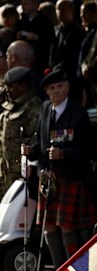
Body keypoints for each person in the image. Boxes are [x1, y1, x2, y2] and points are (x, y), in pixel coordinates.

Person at [21, 68, 96, 267]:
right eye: (52, 88)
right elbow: (43, 144)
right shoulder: (45, 109)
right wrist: (31, 150)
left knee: (67, 226)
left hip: (70, 176)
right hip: (48, 179)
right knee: (48, 225)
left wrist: (65, 154)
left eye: (60, 86)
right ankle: (57, 270)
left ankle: (72, 270)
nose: (56, 91)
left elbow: (87, 149)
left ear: (68, 87)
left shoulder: (78, 112)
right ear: (46, 91)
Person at [0, 67, 42, 199]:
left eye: (11, 86)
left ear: (23, 86)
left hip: (21, 174)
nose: (7, 90)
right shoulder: (9, 105)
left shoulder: (33, 107)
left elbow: (36, 140)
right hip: (5, 171)